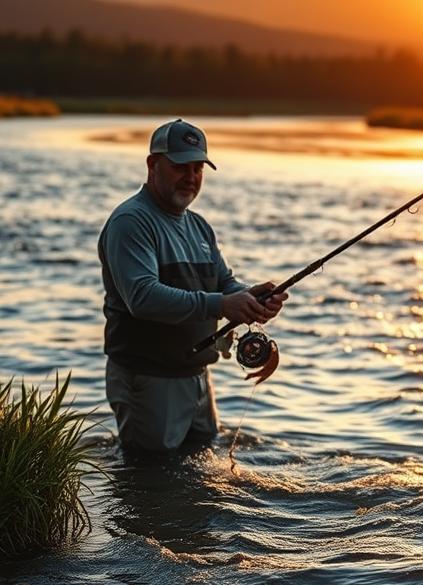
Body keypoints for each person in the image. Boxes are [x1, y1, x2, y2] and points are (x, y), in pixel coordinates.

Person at [98, 118, 287, 452]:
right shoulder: (132, 221)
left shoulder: (199, 227)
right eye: (180, 166)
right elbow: (141, 297)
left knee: (197, 481)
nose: (191, 177)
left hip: (197, 376)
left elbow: (224, 283)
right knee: (150, 486)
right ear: (152, 165)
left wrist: (250, 298)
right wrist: (221, 305)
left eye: (198, 168)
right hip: (149, 379)